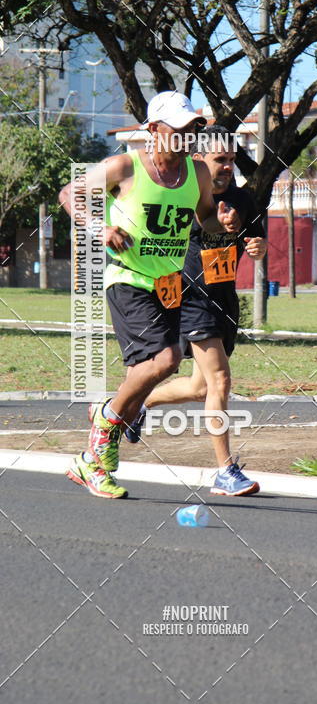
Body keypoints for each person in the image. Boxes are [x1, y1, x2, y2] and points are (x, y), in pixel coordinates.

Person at [59, 93, 240, 498]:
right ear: (155, 129)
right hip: (128, 278)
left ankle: (92, 460)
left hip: (169, 284)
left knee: (149, 373)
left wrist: (221, 220)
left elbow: (204, 215)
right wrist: (99, 230)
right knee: (166, 359)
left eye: (193, 128)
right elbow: (71, 194)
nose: (188, 136)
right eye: (179, 128)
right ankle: (105, 426)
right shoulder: (125, 166)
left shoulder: (198, 174)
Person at [144, 126, 267, 496]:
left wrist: (258, 246)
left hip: (224, 299)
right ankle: (225, 471)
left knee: (200, 387)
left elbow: (253, 239)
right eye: (220, 159)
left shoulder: (243, 199)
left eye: (231, 159)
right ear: (199, 160)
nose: (228, 166)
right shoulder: (179, 196)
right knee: (220, 382)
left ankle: (134, 401)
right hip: (188, 297)